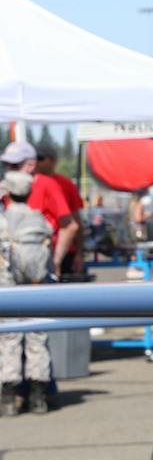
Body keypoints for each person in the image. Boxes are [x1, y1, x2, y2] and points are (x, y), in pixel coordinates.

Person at [0, 164, 56, 413]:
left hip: (8, 284)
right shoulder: (40, 220)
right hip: (37, 284)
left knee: (9, 335)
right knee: (37, 334)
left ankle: (10, 397)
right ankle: (39, 395)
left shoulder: (3, 221)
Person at [1, 140, 78, 279]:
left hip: (38, 262)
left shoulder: (47, 185)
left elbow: (69, 226)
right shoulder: (6, 188)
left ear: (30, 165)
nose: (8, 170)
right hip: (11, 264)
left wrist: (55, 261)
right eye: (6, 165)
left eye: (14, 166)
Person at [35, 149, 83, 277]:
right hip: (35, 253)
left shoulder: (64, 184)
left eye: (40, 158)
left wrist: (79, 253)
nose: (36, 162)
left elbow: (75, 221)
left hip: (62, 252)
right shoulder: (22, 185)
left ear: (53, 161)